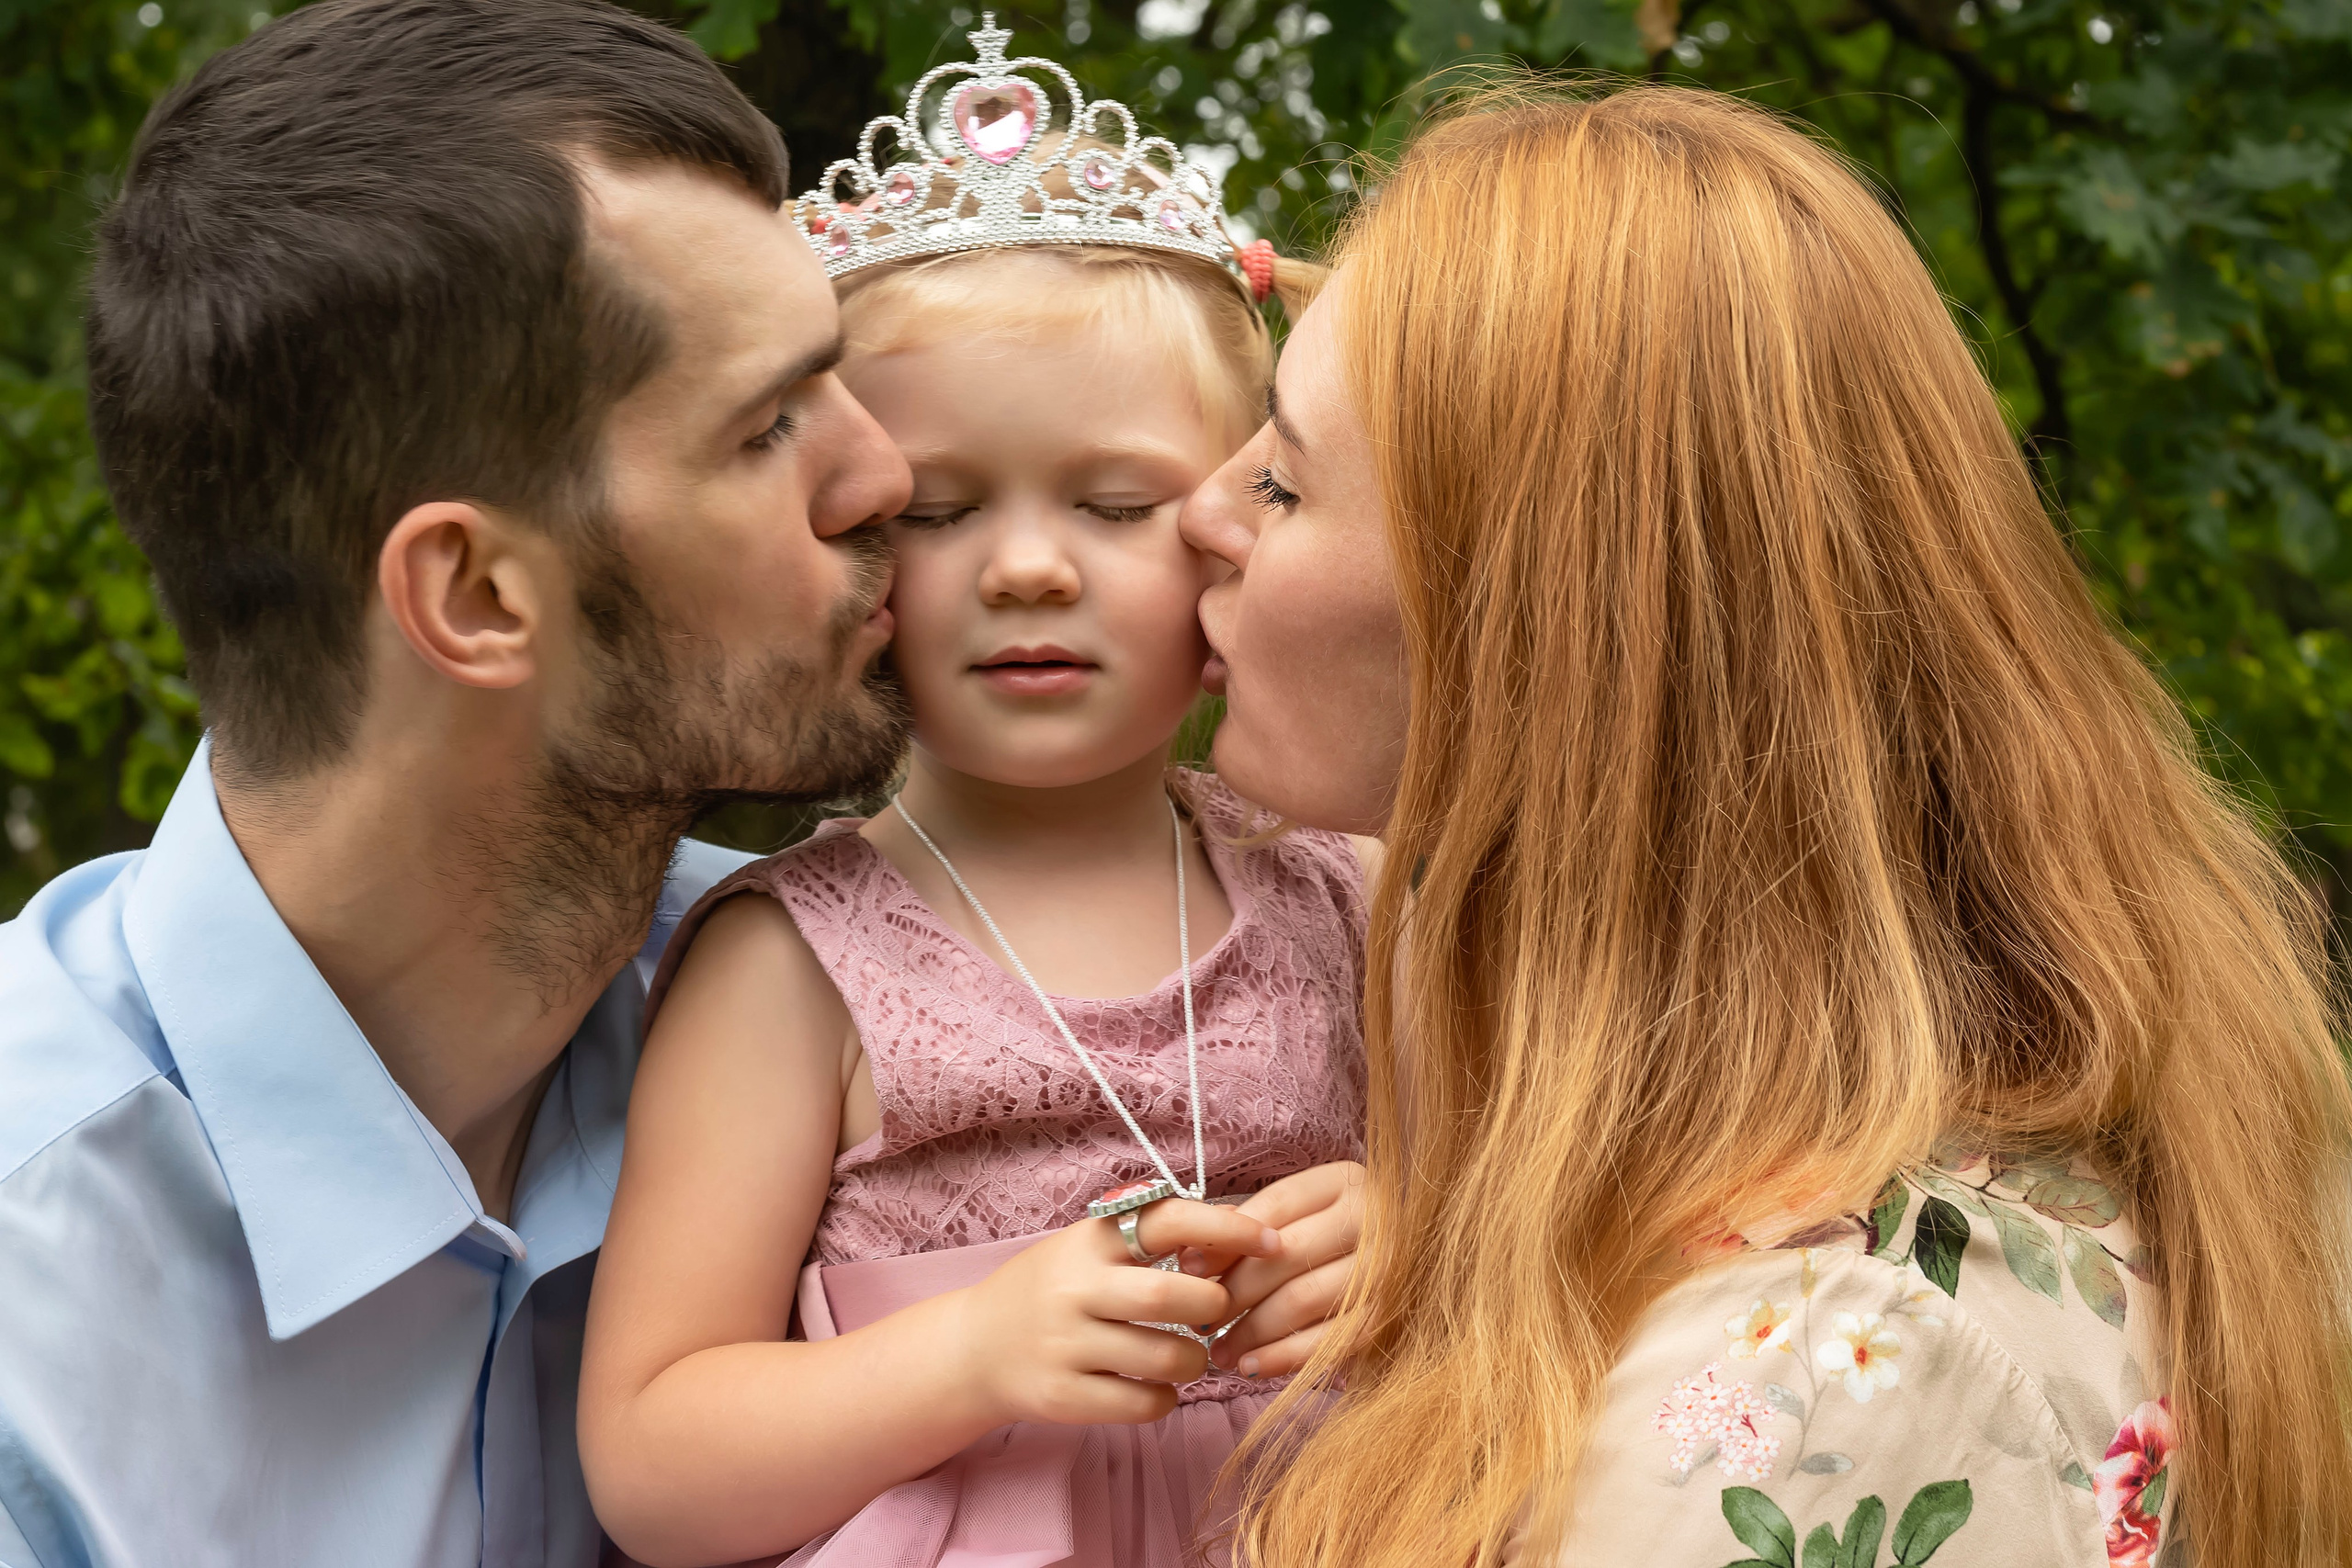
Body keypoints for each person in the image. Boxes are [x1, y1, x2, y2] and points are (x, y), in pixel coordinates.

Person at [1179, 85, 2352, 1568]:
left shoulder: (1813, 1384)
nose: (1196, 514)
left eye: (1279, 479)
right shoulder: (1870, 1179)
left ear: (1545, 645)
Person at [0, 1, 914, 1562]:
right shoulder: (37, 1329)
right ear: (480, 597)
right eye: (768, 427)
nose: (885, 474)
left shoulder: (883, 1007)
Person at [576, 28, 1367, 1568]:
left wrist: (1410, 1249)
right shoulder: (789, 963)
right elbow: (652, 1460)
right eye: (941, 510)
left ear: (1228, 526)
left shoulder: (1346, 886)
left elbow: (1541, 1226)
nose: (1025, 565)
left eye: (1115, 502)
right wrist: (969, 1354)